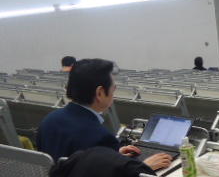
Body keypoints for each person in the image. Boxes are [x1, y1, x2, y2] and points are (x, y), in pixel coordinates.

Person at [37, 59, 172, 170]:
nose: (114, 92)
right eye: (114, 88)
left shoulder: (49, 120)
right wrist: (144, 166)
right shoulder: (99, 137)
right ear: (100, 93)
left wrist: (113, 155)